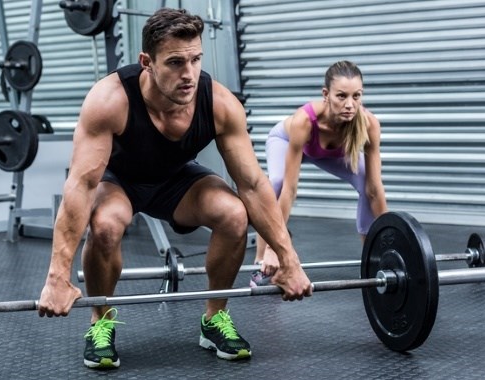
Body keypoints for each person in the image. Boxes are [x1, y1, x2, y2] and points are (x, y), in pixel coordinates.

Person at [37, 8, 312, 370]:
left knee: (234, 215)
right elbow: (82, 184)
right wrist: (57, 276)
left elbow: (252, 183)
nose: (189, 74)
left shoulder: (219, 104)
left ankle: (214, 318)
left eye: (196, 59)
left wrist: (288, 259)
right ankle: (100, 322)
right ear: (146, 62)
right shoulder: (110, 100)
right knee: (104, 225)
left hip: (174, 180)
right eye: (176, 62)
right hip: (119, 181)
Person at [250, 60, 388, 287]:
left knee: (366, 183)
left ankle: (374, 254)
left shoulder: (368, 124)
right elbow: (290, 189)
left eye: (357, 96)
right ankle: (264, 257)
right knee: (277, 182)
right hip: (286, 140)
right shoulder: (304, 121)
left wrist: (391, 240)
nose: (350, 105)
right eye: (341, 96)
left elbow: (375, 189)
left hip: (327, 153)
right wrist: (278, 247)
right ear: (326, 94)